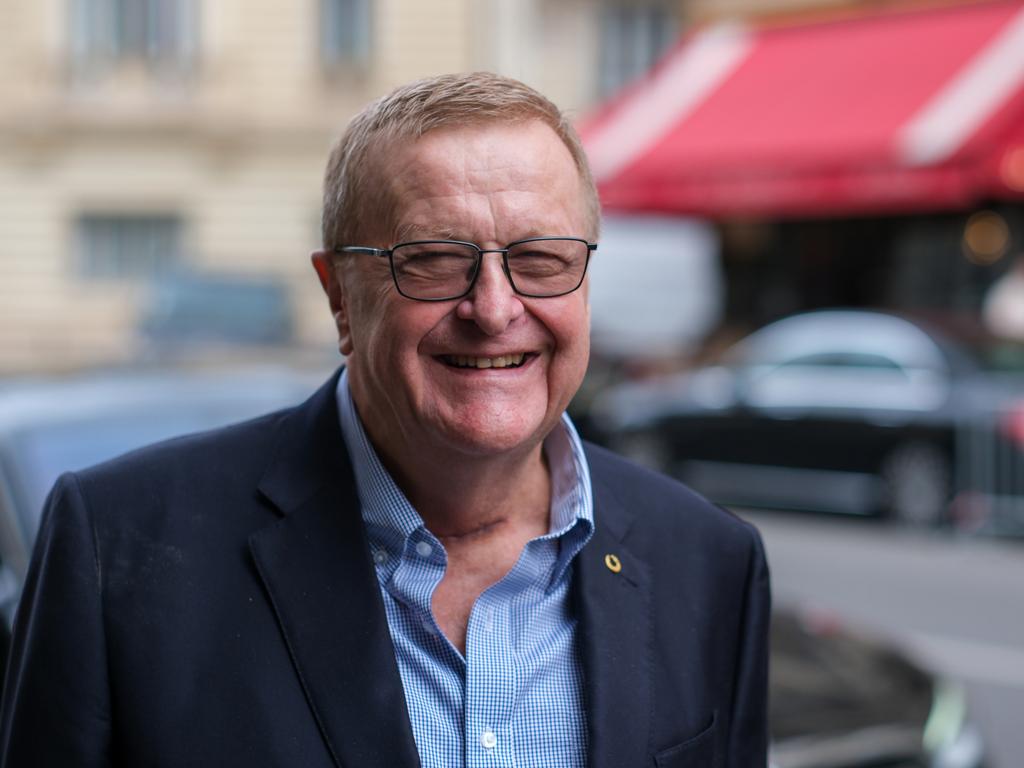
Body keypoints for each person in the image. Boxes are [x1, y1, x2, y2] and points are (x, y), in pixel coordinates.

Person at [0, 72, 769, 767]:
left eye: (542, 259)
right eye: (433, 259)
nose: (496, 310)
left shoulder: (709, 562)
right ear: (340, 297)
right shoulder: (119, 548)